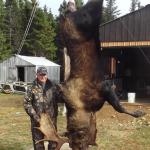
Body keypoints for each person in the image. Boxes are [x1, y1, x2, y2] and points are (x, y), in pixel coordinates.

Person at [24, 66, 59, 150]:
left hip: (51, 122)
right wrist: (36, 117)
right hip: (37, 122)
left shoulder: (53, 86)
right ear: (37, 75)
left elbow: (60, 98)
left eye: (44, 74)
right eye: (41, 74)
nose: (43, 76)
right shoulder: (31, 88)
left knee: (53, 143)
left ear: (47, 74)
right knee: (38, 144)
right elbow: (26, 103)